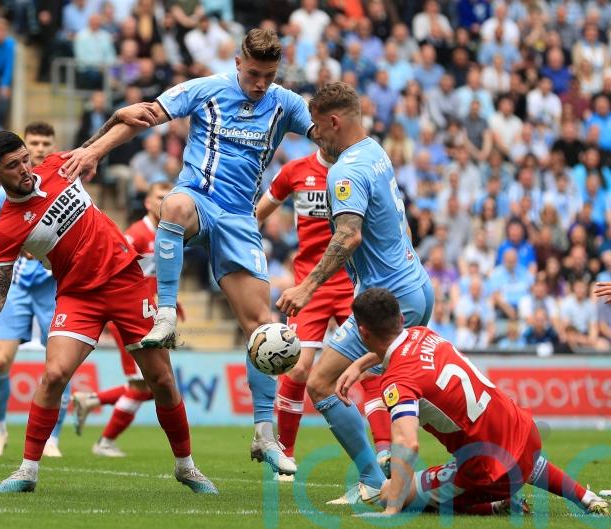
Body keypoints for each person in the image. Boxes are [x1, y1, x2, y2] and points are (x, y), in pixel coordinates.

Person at [57, 28, 316, 476]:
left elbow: (328, 134)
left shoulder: (285, 103)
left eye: (268, 76)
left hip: (239, 219)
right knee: (171, 205)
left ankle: (262, 432)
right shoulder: (205, 90)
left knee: (262, 329)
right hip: (199, 199)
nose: (259, 83)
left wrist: (359, 151)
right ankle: (166, 315)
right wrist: (93, 150)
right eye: (253, 73)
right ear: (238, 62)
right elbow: (143, 116)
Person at [0, 131, 217, 495]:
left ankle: (186, 467)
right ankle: (27, 470)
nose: (24, 169)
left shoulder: (58, 165)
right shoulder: (7, 226)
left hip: (126, 283)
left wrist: (124, 120)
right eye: (13, 166)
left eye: (25, 158)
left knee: (162, 381)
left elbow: (100, 140)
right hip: (77, 296)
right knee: (53, 375)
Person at [276, 82, 434, 504]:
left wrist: (307, 287)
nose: (316, 138)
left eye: (317, 129)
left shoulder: (345, 170)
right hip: (416, 284)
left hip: (390, 299)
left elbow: (348, 236)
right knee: (404, 386)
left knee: (322, 383)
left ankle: (372, 479)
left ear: (333, 121)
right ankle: (486, 463)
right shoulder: (375, 150)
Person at [340, 287, 609, 516]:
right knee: (515, 451)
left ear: (363, 333)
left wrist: (392, 511)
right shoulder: (423, 333)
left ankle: (496, 504)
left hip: (489, 471)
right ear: (401, 318)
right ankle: (587, 498)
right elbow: (396, 347)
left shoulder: (398, 382)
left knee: (389, 492)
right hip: (526, 432)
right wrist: (359, 365)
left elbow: (407, 443)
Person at [256, 148, 381, 482]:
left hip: (352, 282)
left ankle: (383, 452)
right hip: (309, 284)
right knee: (297, 368)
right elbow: (258, 214)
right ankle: (285, 454)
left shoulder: (358, 169)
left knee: (372, 366)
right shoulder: (295, 171)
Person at [0, 122, 71, 459]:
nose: (39, 148)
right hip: (18, 282)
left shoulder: (61, 180)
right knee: (1, 360)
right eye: (33, 142)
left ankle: (53, 438)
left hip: (53, 284)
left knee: (59, 365)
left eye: (45, 142)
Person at [72, 182, 177, 457]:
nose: (163, 202)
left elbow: (154, 275)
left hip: (150, 315)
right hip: (131, 316)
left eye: (168, 197)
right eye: (158, 197)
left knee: (150, 386)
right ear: (147, 203)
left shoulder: (166, 234)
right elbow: (115, 269)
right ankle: (104, 440)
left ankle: (91, 401)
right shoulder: (135, 234)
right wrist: (110, 313)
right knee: (147, 385)